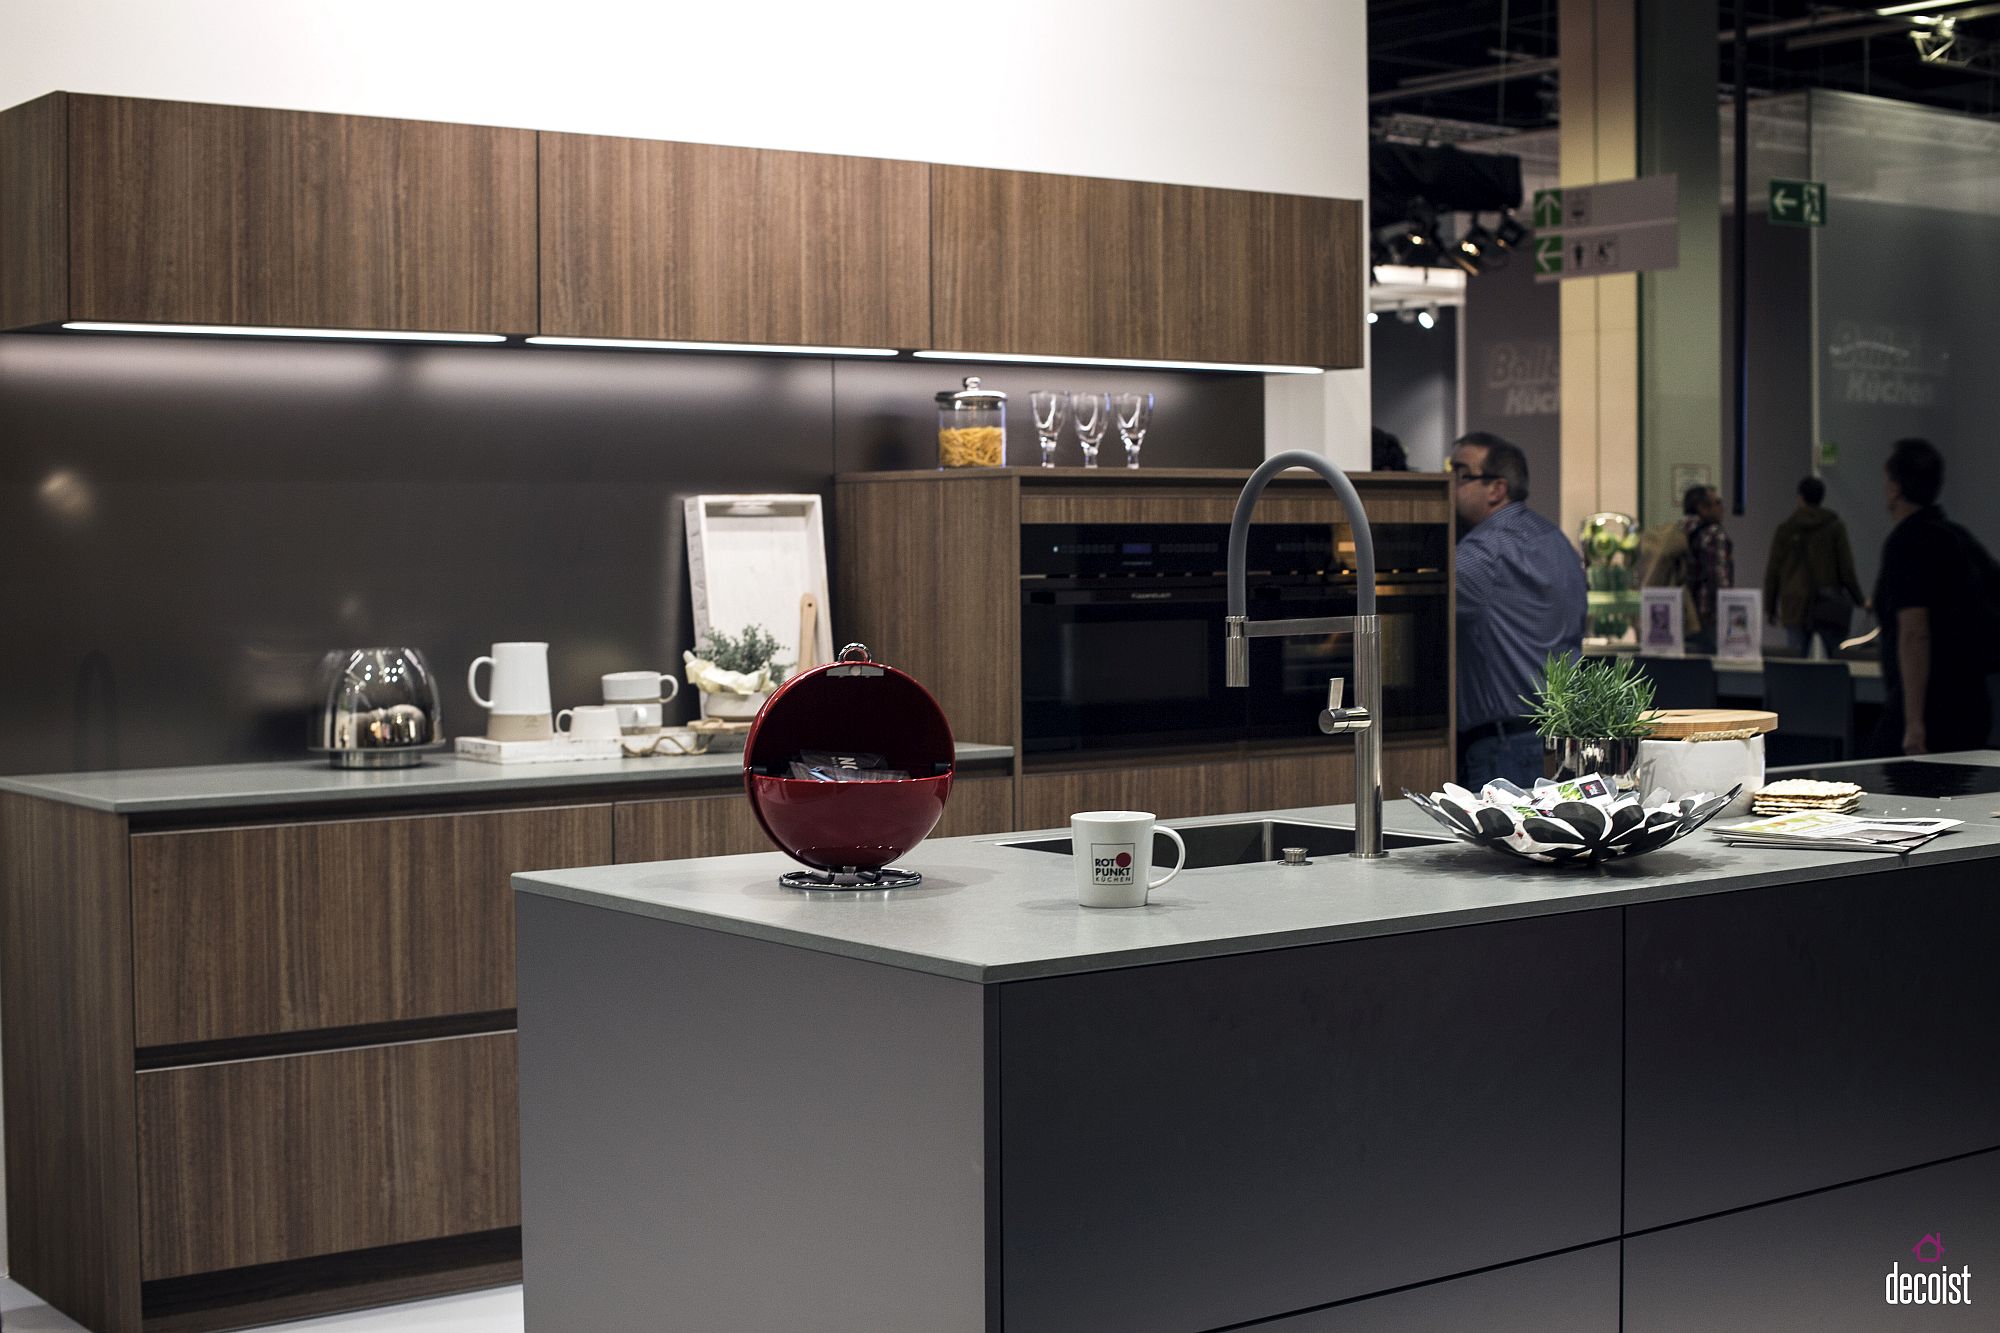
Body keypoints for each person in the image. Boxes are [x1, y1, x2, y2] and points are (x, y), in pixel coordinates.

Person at [1451, 430, 1588, 789]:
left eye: (1461, 475)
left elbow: (1417, 610)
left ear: (1496, 489)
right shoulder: (1557, 540)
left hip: (1504, 745)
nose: (1450, 486)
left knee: (1507, 842)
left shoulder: (1481, 553)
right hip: (1561, 736)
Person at [1868, 438, 1994, 756]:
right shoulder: (1958, 538)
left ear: (1895, 487)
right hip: (1971, 699)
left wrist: (1914, 723)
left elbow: (1915, 633)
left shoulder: (1907, 542)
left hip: (1931, 706)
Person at [1762, 475, 1866, 658]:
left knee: (1795, 664)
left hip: (1795, 603)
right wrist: (1859, 599)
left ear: (1800, 497)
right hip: (1829, 603)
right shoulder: (1834, 527)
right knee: (1837, 661)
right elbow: (1846, 569)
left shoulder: (1786, 529)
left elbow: (1774, 571)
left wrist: (1770, 606)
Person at [1679, 485, 1734, 655]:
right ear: (1702, 508)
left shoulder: (1678, 531)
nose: (1721, 507)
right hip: (1706, 612)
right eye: (1717, 502)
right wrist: (1727, 609)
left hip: (1680, 609)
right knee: (1707, 661)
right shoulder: (1714, 534)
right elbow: (1718, 576)